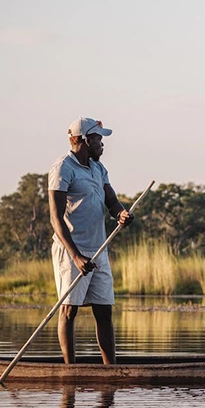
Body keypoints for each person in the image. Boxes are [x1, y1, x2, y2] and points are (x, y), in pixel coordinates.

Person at [49, 118, 131, 364]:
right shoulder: (63, 168)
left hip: (99, 249)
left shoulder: (98, 169)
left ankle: (110, 371)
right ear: (86, 140)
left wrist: (121, 214)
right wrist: (76, 255)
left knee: (104, 310)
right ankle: (70, 369)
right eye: (98, 138)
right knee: (69, 309)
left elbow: (112, 202)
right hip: (72, 250)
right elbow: (56, 219)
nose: (102, 143)